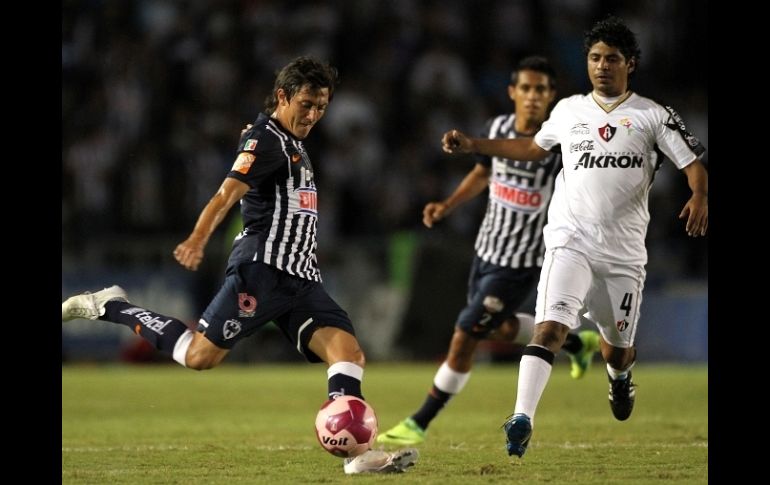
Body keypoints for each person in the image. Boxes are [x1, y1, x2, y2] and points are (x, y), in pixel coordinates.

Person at [61, 56, 417, 475]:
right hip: (262, 273)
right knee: (199, 357)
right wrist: (196, 240)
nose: (314, 114)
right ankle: (111, 305)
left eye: (321, 106)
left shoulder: (290, 141)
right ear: (282, 96)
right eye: (306, 104)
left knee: (348, 353)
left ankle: (357, 457)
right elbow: (226, 194)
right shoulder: (265, 140)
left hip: (301, 277)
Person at [440, 16, 708, 458]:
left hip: (623, 256)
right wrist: (476, 145)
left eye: (612, 59)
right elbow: (531, 147)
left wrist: (699, 194)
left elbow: (692, 163)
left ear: (631, 64)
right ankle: (521, 418)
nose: (602, 66)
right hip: (570, 243)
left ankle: (620, 379)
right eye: (595, 58)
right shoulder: (567, 110)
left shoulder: (651, 114)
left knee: (616, 351)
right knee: (548, 329)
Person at [377, 56, 600, 447]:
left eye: (541, 90)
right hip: (486, 251)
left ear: (551, 96)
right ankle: (575, 342)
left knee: (465, 332)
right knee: (495, 327)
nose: (533, 97)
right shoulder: (496, 129)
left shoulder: (559, 144)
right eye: (526, 88)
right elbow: (483, 172)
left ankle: (420, 421)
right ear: (513, 92)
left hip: (521, 263)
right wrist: (447, 205)